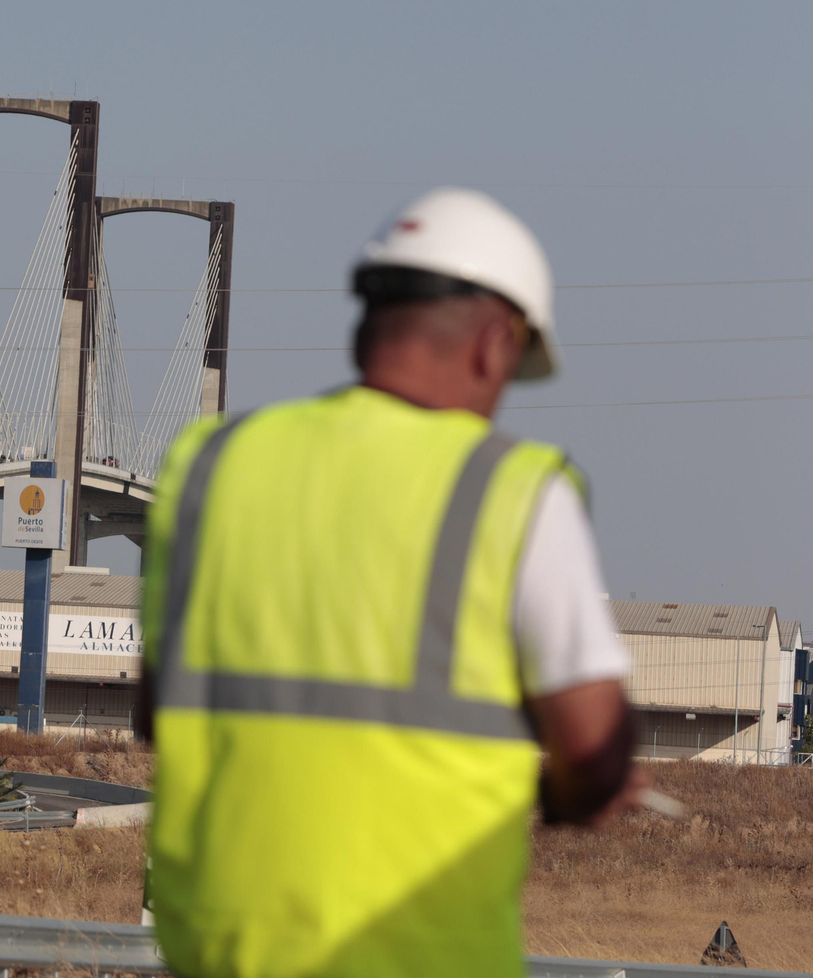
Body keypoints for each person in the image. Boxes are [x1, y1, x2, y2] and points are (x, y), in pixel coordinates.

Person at [137, 188, 647, 978]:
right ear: (493, 345)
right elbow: (593, 745)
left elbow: (157, 708)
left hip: (216, 956)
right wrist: (578, 791)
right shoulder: (511, 490)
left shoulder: (209, 465)